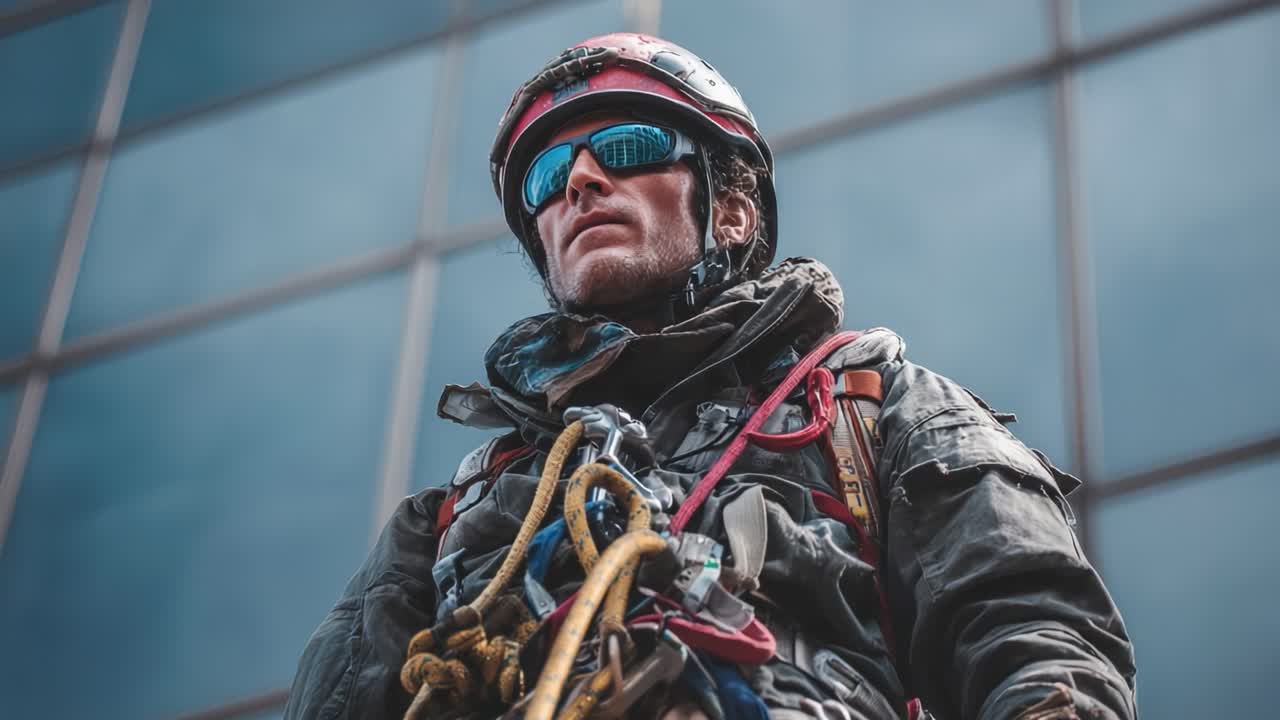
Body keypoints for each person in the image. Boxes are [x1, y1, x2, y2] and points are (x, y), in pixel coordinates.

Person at [285, 34, 1137, 720]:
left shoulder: (870, 405)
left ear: (729, 208)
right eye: (549, 176)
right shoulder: (449, 520)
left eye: (626, 146)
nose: (581, 180)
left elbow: (1035, 635)